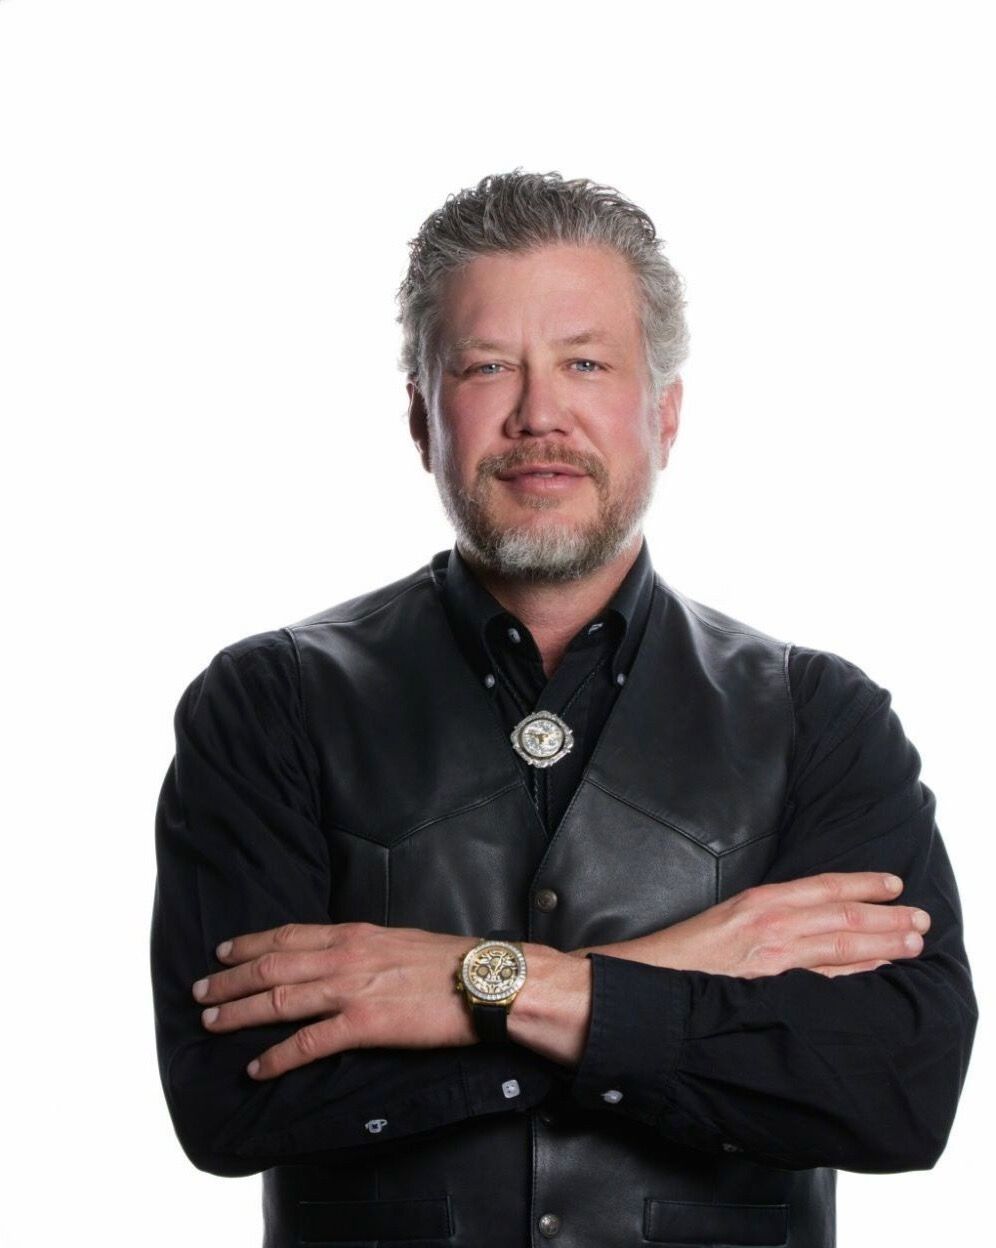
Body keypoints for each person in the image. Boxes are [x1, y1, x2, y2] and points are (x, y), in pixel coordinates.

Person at [150, 170, 977, 1248]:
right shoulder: (269, 703)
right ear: (419, 413)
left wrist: (471, 988)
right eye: (487, 366)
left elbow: (896, 1091)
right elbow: (232, 1097)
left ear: (664, 412)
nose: (540, 414)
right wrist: (687, 970)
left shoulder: (822, 717)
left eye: (585, 363)